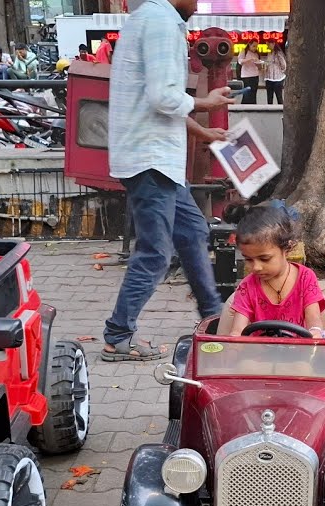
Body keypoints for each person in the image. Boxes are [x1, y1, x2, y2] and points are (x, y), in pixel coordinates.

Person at [101, 0, 238, 361]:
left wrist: (204, 133)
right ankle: (118, 335)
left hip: (156, 159)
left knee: (193, 233)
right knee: (156, 253)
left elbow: (157, 103)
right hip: (151, 159)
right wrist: (206, 104)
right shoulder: (161, 21)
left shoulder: (146, 19)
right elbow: (164, 98)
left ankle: (214, 317)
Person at [225, 203, 325, 338]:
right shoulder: (247, 287)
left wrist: (315, 332)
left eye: (264, 259)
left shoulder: (305, 278)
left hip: (299, 354)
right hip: (258, 356)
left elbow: (314, 323)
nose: (256, 267)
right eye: (249, 259)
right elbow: (237, 331)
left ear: (287, 248)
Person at [238, 39, 261, 104]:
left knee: (254, 92)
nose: (255, 48)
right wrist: (250, 59)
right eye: (253, 46)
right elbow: (240, 61)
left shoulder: (257, 53)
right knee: (247, 93)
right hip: (246, 76)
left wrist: (258, 64)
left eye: (256, 46)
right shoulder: (244, 51)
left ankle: (253, 105)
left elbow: (259, 67)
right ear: (249, 45)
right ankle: (245, 106)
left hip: (255, 75)